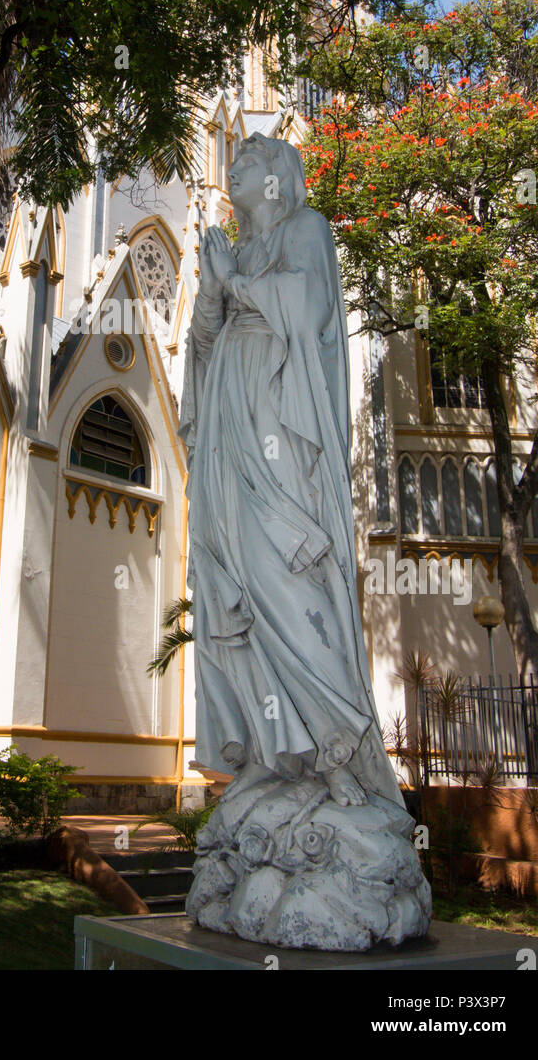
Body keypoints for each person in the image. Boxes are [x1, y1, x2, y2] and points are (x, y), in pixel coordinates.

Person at [179, 133, 402, 809]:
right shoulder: (234, 248)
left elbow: (307, 309)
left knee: (285, 576)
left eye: (243, 164)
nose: (232, 173)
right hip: (227, 422)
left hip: (278, 421)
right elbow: (203, 343)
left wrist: (234, 285)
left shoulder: (306, 228)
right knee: (235, 576)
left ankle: (335, 745)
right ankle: (272, 754)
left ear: (276, 176)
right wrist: (215, 294)